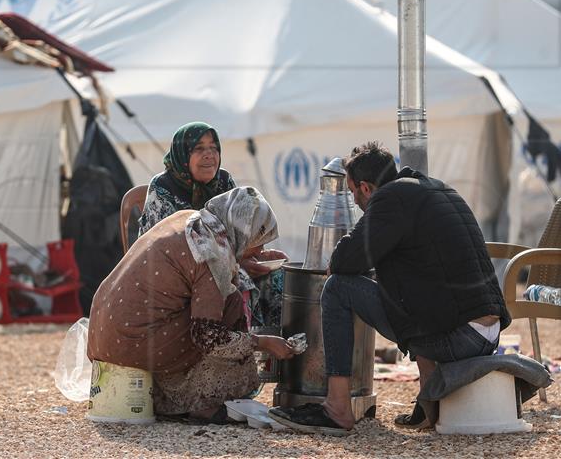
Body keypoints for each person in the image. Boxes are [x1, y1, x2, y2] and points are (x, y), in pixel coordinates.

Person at [269, 142, 511, 435]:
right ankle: (428, 401)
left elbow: (346, 261)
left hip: (459, 339)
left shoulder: (390, 200)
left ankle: (337, 408)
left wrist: (345, 250)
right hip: (487, 333)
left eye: (353, 193)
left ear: (366, 188)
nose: (356, 203)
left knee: (337, 288)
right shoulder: (433, 188)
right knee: (410, 288)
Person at [88, 186, 295, 421]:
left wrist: (242, 261)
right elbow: (206, 336)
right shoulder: (212, 251)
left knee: (222, 295)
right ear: (243, 232)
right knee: (231, 302)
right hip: (128, 344)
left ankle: (170, 390)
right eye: (258, 241)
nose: (261, 249)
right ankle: (200, 400)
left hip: (101, 337)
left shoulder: (192, 219)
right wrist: (262, 342)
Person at [139, 121, 287, 328]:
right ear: (183, 155)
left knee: (277, 277)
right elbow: (177, 252)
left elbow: (240, 236)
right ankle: (245, 344)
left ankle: (275, 351)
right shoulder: (163, 188)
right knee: (241, 281)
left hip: (224, 265)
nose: (209, 155)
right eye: (199, 149)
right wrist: (236, 266)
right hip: (176, 273)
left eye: (214, 148)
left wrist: (256, 255)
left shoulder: (224, 182)